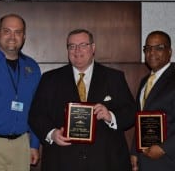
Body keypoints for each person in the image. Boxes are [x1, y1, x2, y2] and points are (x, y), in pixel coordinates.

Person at [28, 28, 136, 171]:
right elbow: (36, 115)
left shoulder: (114, 78)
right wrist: (52, 133)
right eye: (72, 46)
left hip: (106, 161)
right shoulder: (50, 79)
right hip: (62, 161)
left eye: (83, 45)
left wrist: (111, 116)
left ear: (93, 48)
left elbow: (130, 113)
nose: (77, 50)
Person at [0, 13, 41, 171]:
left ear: (24, 37)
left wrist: (34, 144)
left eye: (18, 32)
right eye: (7, 31)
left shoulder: (32, 68)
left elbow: (37, 109)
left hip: (21, 145)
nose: (12, 36)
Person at [131, 30, 175, 171]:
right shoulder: (145, 81)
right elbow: (140, 119)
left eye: (159, 48)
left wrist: (164, 148)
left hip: (168, 160)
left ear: (170, 51)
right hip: (145, 160)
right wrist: (134, 151)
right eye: (148, 48)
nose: (152, 52)